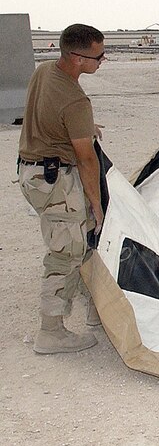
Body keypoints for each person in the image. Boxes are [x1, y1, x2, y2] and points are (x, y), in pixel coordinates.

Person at [18, 23, 107, 354]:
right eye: (98, 56)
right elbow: (86, 160)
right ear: (77, 57)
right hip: (55, 181)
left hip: (33, 173)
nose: (102, 61)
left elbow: (46, 114)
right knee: (65, 253)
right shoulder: (75, 100)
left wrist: (85, 127)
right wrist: (95, 203)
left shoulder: (45, 72)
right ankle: (51, 332)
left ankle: (97, 310)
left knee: (75, 242)